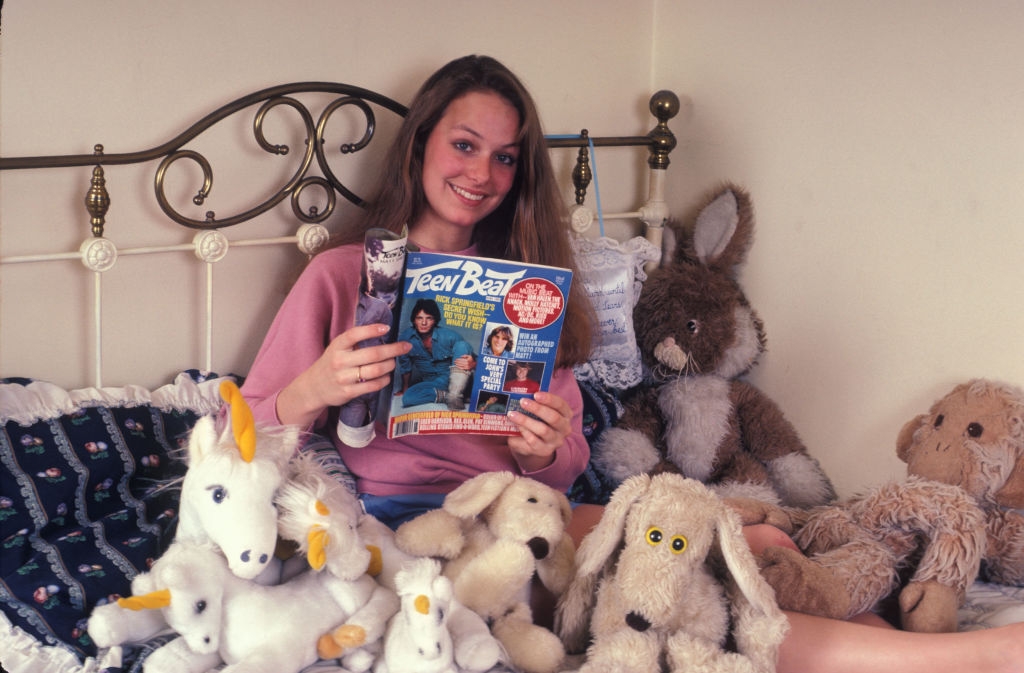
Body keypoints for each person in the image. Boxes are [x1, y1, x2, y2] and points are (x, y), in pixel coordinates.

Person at [241, 54, 1024, 673]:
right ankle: (957, 661)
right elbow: (235, 433)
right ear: (420, 146)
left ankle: (910, 647)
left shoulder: (525, 289)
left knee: (757, 550)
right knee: (683, 587)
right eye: (464, 145)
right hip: (419, 529)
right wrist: (313, 388)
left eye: (506, 158)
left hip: (527, 508)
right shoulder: (345, 276)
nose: (482, 173)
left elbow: (566, 462)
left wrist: (545, 448)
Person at [393, 298, 476, 409]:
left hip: (455, 378)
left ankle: (456, 395)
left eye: (429, 318)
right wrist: (405, 389)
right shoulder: (406, 338)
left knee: (462, 345)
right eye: (419, 318)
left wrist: (473, 364)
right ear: (414, 320)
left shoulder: (450, 336)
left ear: (435, 320)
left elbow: (473, 357)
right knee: (408, 398)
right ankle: (450, 397)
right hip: (433, 384)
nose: (424, 323)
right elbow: (405, 367)